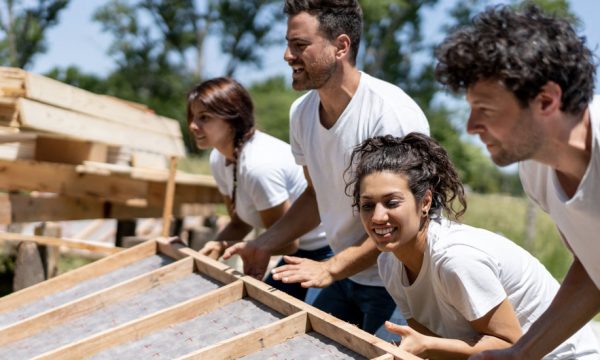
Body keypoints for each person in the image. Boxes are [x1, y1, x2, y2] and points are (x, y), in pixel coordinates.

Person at [223, 0, 429, 335]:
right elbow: (316, 194)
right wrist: (265, 243)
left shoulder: (389, 114)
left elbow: (406, 220)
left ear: (341, 46)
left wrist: (331, 268)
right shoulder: (301, 114)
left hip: (400, 281)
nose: (287, 55)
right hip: (341, 270)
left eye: (300, 45)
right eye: (288, 44)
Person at [435, 4, 600, 359]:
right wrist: (521, 353)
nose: (470, 127)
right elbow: (593, 269)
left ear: (546, 100)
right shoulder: (536, 169)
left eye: (487, 110)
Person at [346, 132, 599, 359]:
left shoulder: (455, 260)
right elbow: (427, 338)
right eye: (367, 205)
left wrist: (426, 347)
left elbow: (508, 344)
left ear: (424, 202)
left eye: (391, 202)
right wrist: (423, 346)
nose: (377, 217)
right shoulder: (389, 263)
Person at [186, 77, 332, 302]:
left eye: (204, 118)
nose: (193, 126)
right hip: (296, 251)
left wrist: (229, 247)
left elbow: (287, 242)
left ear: (232, 118)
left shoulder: (258, 166)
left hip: (325, 252)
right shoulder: (219, 158)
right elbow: (239, 222)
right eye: (192, 117)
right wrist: (212, 248)